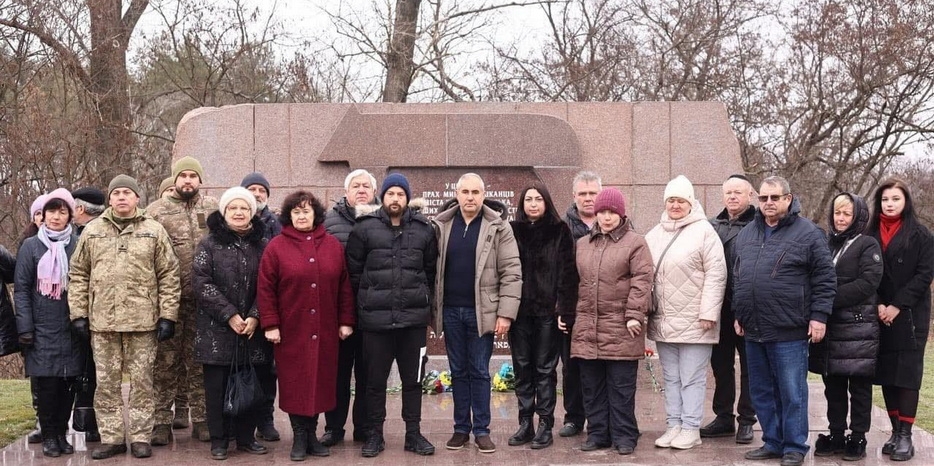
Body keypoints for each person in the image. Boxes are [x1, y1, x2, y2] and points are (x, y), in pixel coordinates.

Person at [68, 174, 180, 460]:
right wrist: (78, 313)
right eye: (116, 193)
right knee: (106, 383)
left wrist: (168, 315)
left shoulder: (154, 230)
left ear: (137, 198)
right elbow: (78, 274)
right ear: (109, 198)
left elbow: (169, 275)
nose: (121, 197)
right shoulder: (93, 231)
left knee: (142, 382)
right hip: (103, 322)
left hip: (143, 322)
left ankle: (141, 436)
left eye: (126, 193)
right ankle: (113, 437)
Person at [732, 175, 836, 466]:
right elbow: (738, 278)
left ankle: (794, 446)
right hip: (754, 329)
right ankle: (773, 441)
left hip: (789, 329)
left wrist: (819, 317)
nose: (768, 203)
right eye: (763, 198)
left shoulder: (808, 233)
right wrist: (739, 313)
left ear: (788, 199)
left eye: (774, 197)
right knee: (761, 391)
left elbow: (825, 278)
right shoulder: (747, 234)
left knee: (792, 392)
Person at [258, 190, 355, 461]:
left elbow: (344, 287)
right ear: (289, 216)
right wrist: (271, 324)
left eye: (306, 211)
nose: (301, 216)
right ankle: (299, 436)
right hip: (291, 330)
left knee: (321, 381)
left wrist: (346, 320)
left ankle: (312, 435)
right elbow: (265, 289)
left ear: (316, 214)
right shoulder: (276, 247)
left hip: (325, 329)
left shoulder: (332, 245)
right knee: (295, 382)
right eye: (296, 212)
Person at [345, 173, 438, 457]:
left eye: (400, 194)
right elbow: (354, 272)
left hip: (412, 323)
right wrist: (368, 301)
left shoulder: (424, 229)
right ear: (382, 197)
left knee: (413, 381)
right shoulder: (364, 228)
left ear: (407, 198)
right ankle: (374, 435)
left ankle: (413, 434)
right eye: (390, 194)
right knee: (374, 382)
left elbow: (430, 272)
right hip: (376, 323)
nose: (395, 199)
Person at [431, 173, 522, 454]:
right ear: (457, 194)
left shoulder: (498, 227)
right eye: (465, 192)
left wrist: (505, 314)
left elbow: (511, 271)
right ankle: (461, 429)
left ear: (483, 195)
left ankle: (482, 430)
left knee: (480, 371)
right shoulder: (442, 225)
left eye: (475, 192)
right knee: (458, 371)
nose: (470, 197)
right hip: (450, 311)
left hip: (482, 312)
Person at [646, 176, 727, 450]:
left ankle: (691, 428)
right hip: (664, 320)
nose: (675, 205)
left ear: (691, 202)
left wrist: (709, 312)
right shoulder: (654, 234)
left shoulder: (704, 232)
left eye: (681, 200)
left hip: (696, 321)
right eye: (671, 200)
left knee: (692, 378)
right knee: (671, 378)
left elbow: (716, 274)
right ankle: (674, 425)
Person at [192, 187, 273, 460]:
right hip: (216, 331)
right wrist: (229, 315)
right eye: (233, 208)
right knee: (217, 388)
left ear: (252, 212)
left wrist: (255, 315)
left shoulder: (263, 245)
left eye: (244, 208)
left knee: (251, 384)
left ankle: (246, 437)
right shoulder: (209, 244)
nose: (239, 213)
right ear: (224, 212)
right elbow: (201, 283)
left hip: (252, 331)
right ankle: (219, 440)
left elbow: (270, 284)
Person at [572, 188, 653, 455]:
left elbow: (642, 281)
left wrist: (634, 314)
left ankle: (625, 435)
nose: (606, 217)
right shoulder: (583, 244)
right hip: (587, 327)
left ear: (621, 214)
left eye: (612, 212)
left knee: (621, 388)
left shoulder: (635, 243)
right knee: (592, 387)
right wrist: (568, 314)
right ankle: (598, 434)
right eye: (602, 212)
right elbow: (574, 283)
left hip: (621, 326)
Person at [147, 156, 219, 445]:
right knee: (165, 364)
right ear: (175, 179)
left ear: (200, 180)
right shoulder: (156, 212)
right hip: (168, 302)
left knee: (199, 362)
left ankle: (202, 420)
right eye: (183, 176)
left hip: (204, 302)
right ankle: (161, 422)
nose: (188, 181)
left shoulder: (213, 208)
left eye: (193, 176)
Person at [807, 192, 882, 461]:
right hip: (831, 328)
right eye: (837, 213)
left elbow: (867, 283)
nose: (840, 218)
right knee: (834, 386)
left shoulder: (867, 244)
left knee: (859, 387)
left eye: (846, 214)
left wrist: (826, 299)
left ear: (858, 216)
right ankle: (836, 433)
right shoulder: (827, 244)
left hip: (858, 328)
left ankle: (858, 436)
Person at [866, 177, 933, 462]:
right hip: (879, 313)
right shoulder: (869, 234)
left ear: (906, 201)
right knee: (887, 374)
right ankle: (894, 432)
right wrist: (880, 304)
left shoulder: (921, 235)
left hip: (910, 314)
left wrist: (896, 305)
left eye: (895, 199)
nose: (889, 204)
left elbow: (924, 275)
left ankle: (906, 435)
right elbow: (866, 273)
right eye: (885, 199)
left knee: (906, 375)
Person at [507, 184, 578, 450]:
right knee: (522, 367)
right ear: (522, 204)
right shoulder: (512, 231)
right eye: (528, 199)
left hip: (548, 313)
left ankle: (545, 424)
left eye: (538, 199)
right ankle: (525, 422)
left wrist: (564, 310)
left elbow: (568, 275)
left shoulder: (560, 231)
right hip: (519, 313)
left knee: (545, 369)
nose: (534, 204)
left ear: (546, 202)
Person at [14, 189, 81, 458]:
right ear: (42, 215)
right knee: (47, 385)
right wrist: (25, 328)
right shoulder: (31, 246)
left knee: (68, 383)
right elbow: (21, 289)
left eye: (62, 212)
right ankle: (49, 435)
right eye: (51, 211)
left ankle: (62, 433)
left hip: (71, 326)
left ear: (70, 216)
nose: (55, 217)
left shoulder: (77, 244)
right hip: (41, 327)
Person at [321, 168, 378, 445]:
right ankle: (334, 427)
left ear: (374, 192)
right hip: (337, 312)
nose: (361, 190)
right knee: (337, 373)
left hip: (372, 311)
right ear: (346, 192)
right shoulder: (328, 221)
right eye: (356, 186)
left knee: (368, 374)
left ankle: (364, 427)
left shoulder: (383, 219)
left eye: (366, 186)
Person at [701, 174, 758, 443]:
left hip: (747, 306)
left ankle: (747, 419)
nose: (732, 197)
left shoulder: (759, 225)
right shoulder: (711, 225)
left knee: (749, 366)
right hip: (719, 307)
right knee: (721, 365)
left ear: (750, 195)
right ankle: (723, 416)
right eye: (728, 193)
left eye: (738, 192)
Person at [558, 171, 601, 437]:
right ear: (574, 196)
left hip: (604, 309)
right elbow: (555, 271)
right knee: (571, 366)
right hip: (572, 309)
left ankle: (603, 418)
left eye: (592, 193)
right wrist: (561, 308)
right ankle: (574, 418)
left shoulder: (615, 223)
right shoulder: (562, 227)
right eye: (582, 193)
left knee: (602, 367)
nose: (588, 198)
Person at [239, 172, 281, 441]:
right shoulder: (231, 221)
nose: (256, 194)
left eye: (261, 190)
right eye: (251, 189)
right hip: (235, 307)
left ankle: (265, 419)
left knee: (266, 369)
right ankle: (240, 420)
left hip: (266, 305)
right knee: (240, 367)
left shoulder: (277, 224)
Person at [69, 186, 106, 442]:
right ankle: (92, 424)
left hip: (89, 313)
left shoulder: (83, 236)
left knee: (91, 371)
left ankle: (92, 422)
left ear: (80, 208)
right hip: (95, 312)